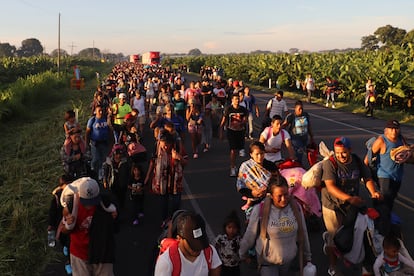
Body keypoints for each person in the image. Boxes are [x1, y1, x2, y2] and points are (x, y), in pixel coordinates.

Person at [321, 137, 382, 276]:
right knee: (335, 237)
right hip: (332, 205)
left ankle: (358, 262)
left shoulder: (357, 161)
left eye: (343, 152)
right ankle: (333, 266)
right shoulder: (330, 164)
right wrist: (349, 199)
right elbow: (330, 187)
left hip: (351, 204)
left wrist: (373, 192)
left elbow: (367, 178)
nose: (340, 156)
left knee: (356, 234)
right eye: (337, 152)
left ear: (350, 150)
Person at [239, 175, 312, 276]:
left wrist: (308, 257)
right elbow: (250, 235)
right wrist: (242, 253)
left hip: (290, 262)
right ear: (271, 195)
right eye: (279, 196)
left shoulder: (296, 207)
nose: (283, 199)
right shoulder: (260, 210)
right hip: (267, 262)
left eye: (286, 194)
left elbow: (303, 232)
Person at [61, 177, 118, 276]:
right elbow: (63, 230)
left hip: (102, 254)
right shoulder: (71, 206)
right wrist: (68, 223)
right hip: (80, 255)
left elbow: (115, 227)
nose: (89, 206)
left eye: (92, 202)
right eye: (86, 202)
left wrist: (114, 218)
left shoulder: (106, 204)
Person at [364, 120, 408, 228]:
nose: (394, 131)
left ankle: (381, 219)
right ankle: (382, 225)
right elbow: (369, 156)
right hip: (384, 175)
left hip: (397, 175)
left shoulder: (401, 140)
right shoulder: (381, 141)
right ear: (386, 130)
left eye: (396, 128)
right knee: (385, 200)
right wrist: (365, 171)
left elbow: (408, 156)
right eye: (391, 128)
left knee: (391, 199)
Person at [154, 212, 222, 276]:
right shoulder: (166, 262)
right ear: (179, 238)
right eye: (193, 244)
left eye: (201, 242)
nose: (198, 249)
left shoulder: (209, 252)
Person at [146, 131, 187, 227]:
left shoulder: (177, 147)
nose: (164, 147)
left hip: (175, 182)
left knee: (176, 203)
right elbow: (152, 162)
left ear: (170, 143)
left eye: (166, 145)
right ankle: (164, 220)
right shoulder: (157, 148)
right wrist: (148, 176)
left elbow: (186, 162)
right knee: (163, 203)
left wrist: (178, 157)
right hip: (162, 182)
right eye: (162, 145)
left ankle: (174, 220)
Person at [236, 141, 278, 211]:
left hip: (270, 200)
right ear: (251, 154)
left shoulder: (271, 166)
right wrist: (252, 193)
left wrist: (268, 190)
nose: (260, 157)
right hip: (253, 201)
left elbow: (278, 181)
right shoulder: (245, 167)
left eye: (262, 153)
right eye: (257, 154)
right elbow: (241, 185)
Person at [47, 174, 73, 275]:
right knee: (67, 241)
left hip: (66, 222)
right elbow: (52, 211)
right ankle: (68, 260)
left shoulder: (60, 194)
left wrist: (51, 224)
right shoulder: (59, 195)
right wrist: (51, 224)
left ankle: (68, 261)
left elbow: (52, 211)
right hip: (64, 223)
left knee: (69, 242)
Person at [220, 94, 249, 177]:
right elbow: (223, 121)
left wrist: (241, 123)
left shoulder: (243, 109)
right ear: (232, 100)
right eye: (235, 99)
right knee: (233, 150)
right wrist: (221, 132)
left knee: (239, 151)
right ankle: (232, 167)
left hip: (240, 132)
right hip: (231, 131)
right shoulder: (228, 109)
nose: (237, 101)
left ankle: (237, 166)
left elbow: (245, 119)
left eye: (238, 99)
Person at [282, 100, 314, 165]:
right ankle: (298, 164)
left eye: (302, 109)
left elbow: (309, 126)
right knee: (299, 151)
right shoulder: (291, 116)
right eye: (299, 109)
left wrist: (311, 137)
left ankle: (295, 163)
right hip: (295, 138)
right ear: (295, 109)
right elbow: (284, 125)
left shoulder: (306, 115)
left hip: (304, 138)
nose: (301, 111)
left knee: (301, 152)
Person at [85, 105, 113, 180]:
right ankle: (93, 173)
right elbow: (87, 132)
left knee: (104, 159)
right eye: (99, 111)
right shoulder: (92, 120)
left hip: (104, 143)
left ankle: (102, 175)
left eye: (102, 110)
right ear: (95, 112)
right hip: (95, 143)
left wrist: (111, 142)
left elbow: (110, 131)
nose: (101, 112)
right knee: (96, 159)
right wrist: (86, 144)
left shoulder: (106, 119)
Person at [213, 211, 242, 276]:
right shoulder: (221, 239)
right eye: (229, 227)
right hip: (224, 266)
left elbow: (243, 250)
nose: (231, 230)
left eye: (234, 228)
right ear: (225, 227)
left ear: (238, 229)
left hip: (235, 267)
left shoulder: (239, 240)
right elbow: (214, 248)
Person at [102, 144, 130, 209]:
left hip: (122, 185)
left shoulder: (125, 162)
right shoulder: (109, 162)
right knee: (113, 198)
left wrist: (128, 182)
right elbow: (105, 171)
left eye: (120, 154)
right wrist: (104, 180)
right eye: (116, 154)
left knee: (121, 198)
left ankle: (121, 208)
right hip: (112, 183)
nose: (118, 156)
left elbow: (128, 173)